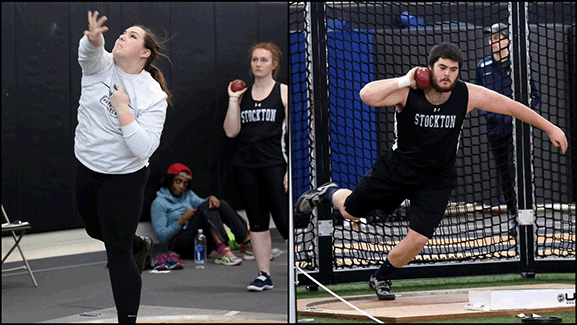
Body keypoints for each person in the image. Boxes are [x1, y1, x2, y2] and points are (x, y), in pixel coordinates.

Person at [295, 42, 568, 301]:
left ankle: (381, 277)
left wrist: (550, 127)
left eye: (453, 69)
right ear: (430, 68)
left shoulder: (467, 94)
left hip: (437, 177)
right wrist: (405, 80)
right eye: (442, 68)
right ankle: (329, 191)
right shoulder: (408, 92)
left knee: (419, 238)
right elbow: (367, 95)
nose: (447, 75)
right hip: (397, 170)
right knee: (351, 211)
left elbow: (511, 107)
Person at [74, 11, 172, 323]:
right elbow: (88, 53)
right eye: (123, 32)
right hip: (88, 167)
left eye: (131, 35)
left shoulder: (153, 95)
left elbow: (144, 147)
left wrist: (123, 110)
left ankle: (126, 319)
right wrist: (93, 40)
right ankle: (137, 243)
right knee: (94, 229)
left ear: (144, 52)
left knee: (117, 255)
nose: (122, 36)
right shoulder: (100, 64)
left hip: (124, 179)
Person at [223, 42, 289, 291]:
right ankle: (264, 274)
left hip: (274, 165)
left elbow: (295, 135)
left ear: (274, 64)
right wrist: (232, 99)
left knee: (284, 221)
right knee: (257, 222)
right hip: (246, 166)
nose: (258, 64)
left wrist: (289, 171)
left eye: (263, 60)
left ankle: (301, 269)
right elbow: (231, 132)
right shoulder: (243, 95)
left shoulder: (283, 92)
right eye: (255, 60)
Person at [475, 22, 541, 237]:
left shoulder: (519, 65)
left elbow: (534, 96)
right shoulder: (482, 67)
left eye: (497, 38)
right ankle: (514, 216)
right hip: (496, 132)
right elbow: (477, 99)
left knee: (522, 173)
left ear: (507, 40)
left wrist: (520, 114)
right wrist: (492, 116)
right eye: (491, 38)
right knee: (505, 174)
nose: (493, 42)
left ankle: (528, 216)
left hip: (519, 131)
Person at [150, 163, 252, 265]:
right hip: (179, 246)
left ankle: (247, 243)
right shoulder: (159, 203)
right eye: (178, 181)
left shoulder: (188, 195)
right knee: (205, 206)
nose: (181, 187)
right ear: (170, 180)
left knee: (219, 204)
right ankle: (222, 250)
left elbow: (205, 205)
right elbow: (162, 236)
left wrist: (211, 198)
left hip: (201, 242)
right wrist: (182, 220)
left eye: (185, 184)